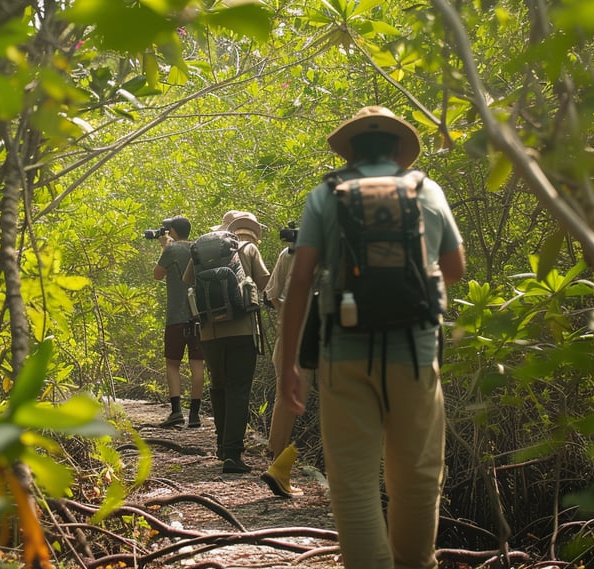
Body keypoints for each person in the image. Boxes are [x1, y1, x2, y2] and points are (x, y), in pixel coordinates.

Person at [278, 106, 466, 569]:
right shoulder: (428, 190)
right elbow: (456, 268)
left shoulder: (325, 195)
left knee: (354, 484)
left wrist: (290, 367)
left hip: (344, 354)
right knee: (418, 479)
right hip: (417, 355)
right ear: (400, 152)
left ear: (351, 153)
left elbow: (300, 279)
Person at [184, 211, 271, 474]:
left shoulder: (203, 249)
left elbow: (187, 280)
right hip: (241, 330)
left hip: (209, 331)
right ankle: (233, 453)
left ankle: (222, 447)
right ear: (253, 231)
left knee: (219, 386)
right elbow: (266, 283)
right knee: (238, 388)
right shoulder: (249, 249)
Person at [259, 240, 314, 497]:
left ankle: (278, 465)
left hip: (291, 335)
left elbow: (271, 294)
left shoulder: (291, 250)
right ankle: (279, 469)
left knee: (286, 398)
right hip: (325, 339)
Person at [153, 216, 207, 428]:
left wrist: (165, 247)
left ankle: (176, 412)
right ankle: (194, 414)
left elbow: (157, 275)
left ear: (173, 231)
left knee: (172, 363)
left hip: (176, 316)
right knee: (197, 364)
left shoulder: (171, 250)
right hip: (198, 316)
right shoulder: (199, 249)